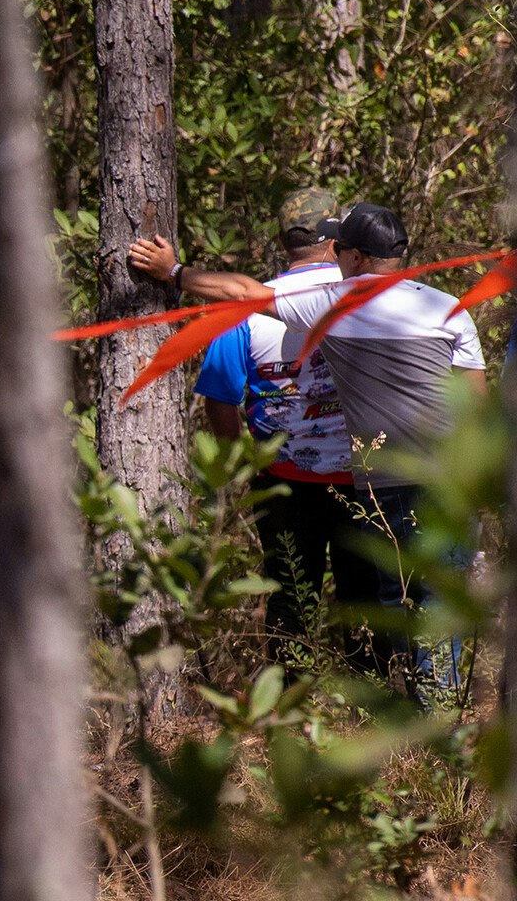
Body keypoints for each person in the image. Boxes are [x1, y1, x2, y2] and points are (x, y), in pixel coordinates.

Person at [139, 201, 484, 676]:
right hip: (433, 481)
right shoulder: (449, 307)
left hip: (355, 485)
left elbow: (236, 305)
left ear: (355, 256)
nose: (336, 253)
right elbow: (477, 410)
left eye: (343, 246)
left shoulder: (336, 302)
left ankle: (319, 709)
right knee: (419, 605)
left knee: (327, 598)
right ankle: (422, 719)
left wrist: (173, 270)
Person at [133, 189, 355, 645]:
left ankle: (284, 705)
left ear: (282, 241)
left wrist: (241, 467)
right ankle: (370, 705)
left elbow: (220, 399)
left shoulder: (243, 311)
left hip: (281, 482)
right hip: (362, 477)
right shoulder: (361, 298)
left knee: (290, 601)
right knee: (365, 601)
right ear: (336, 241)